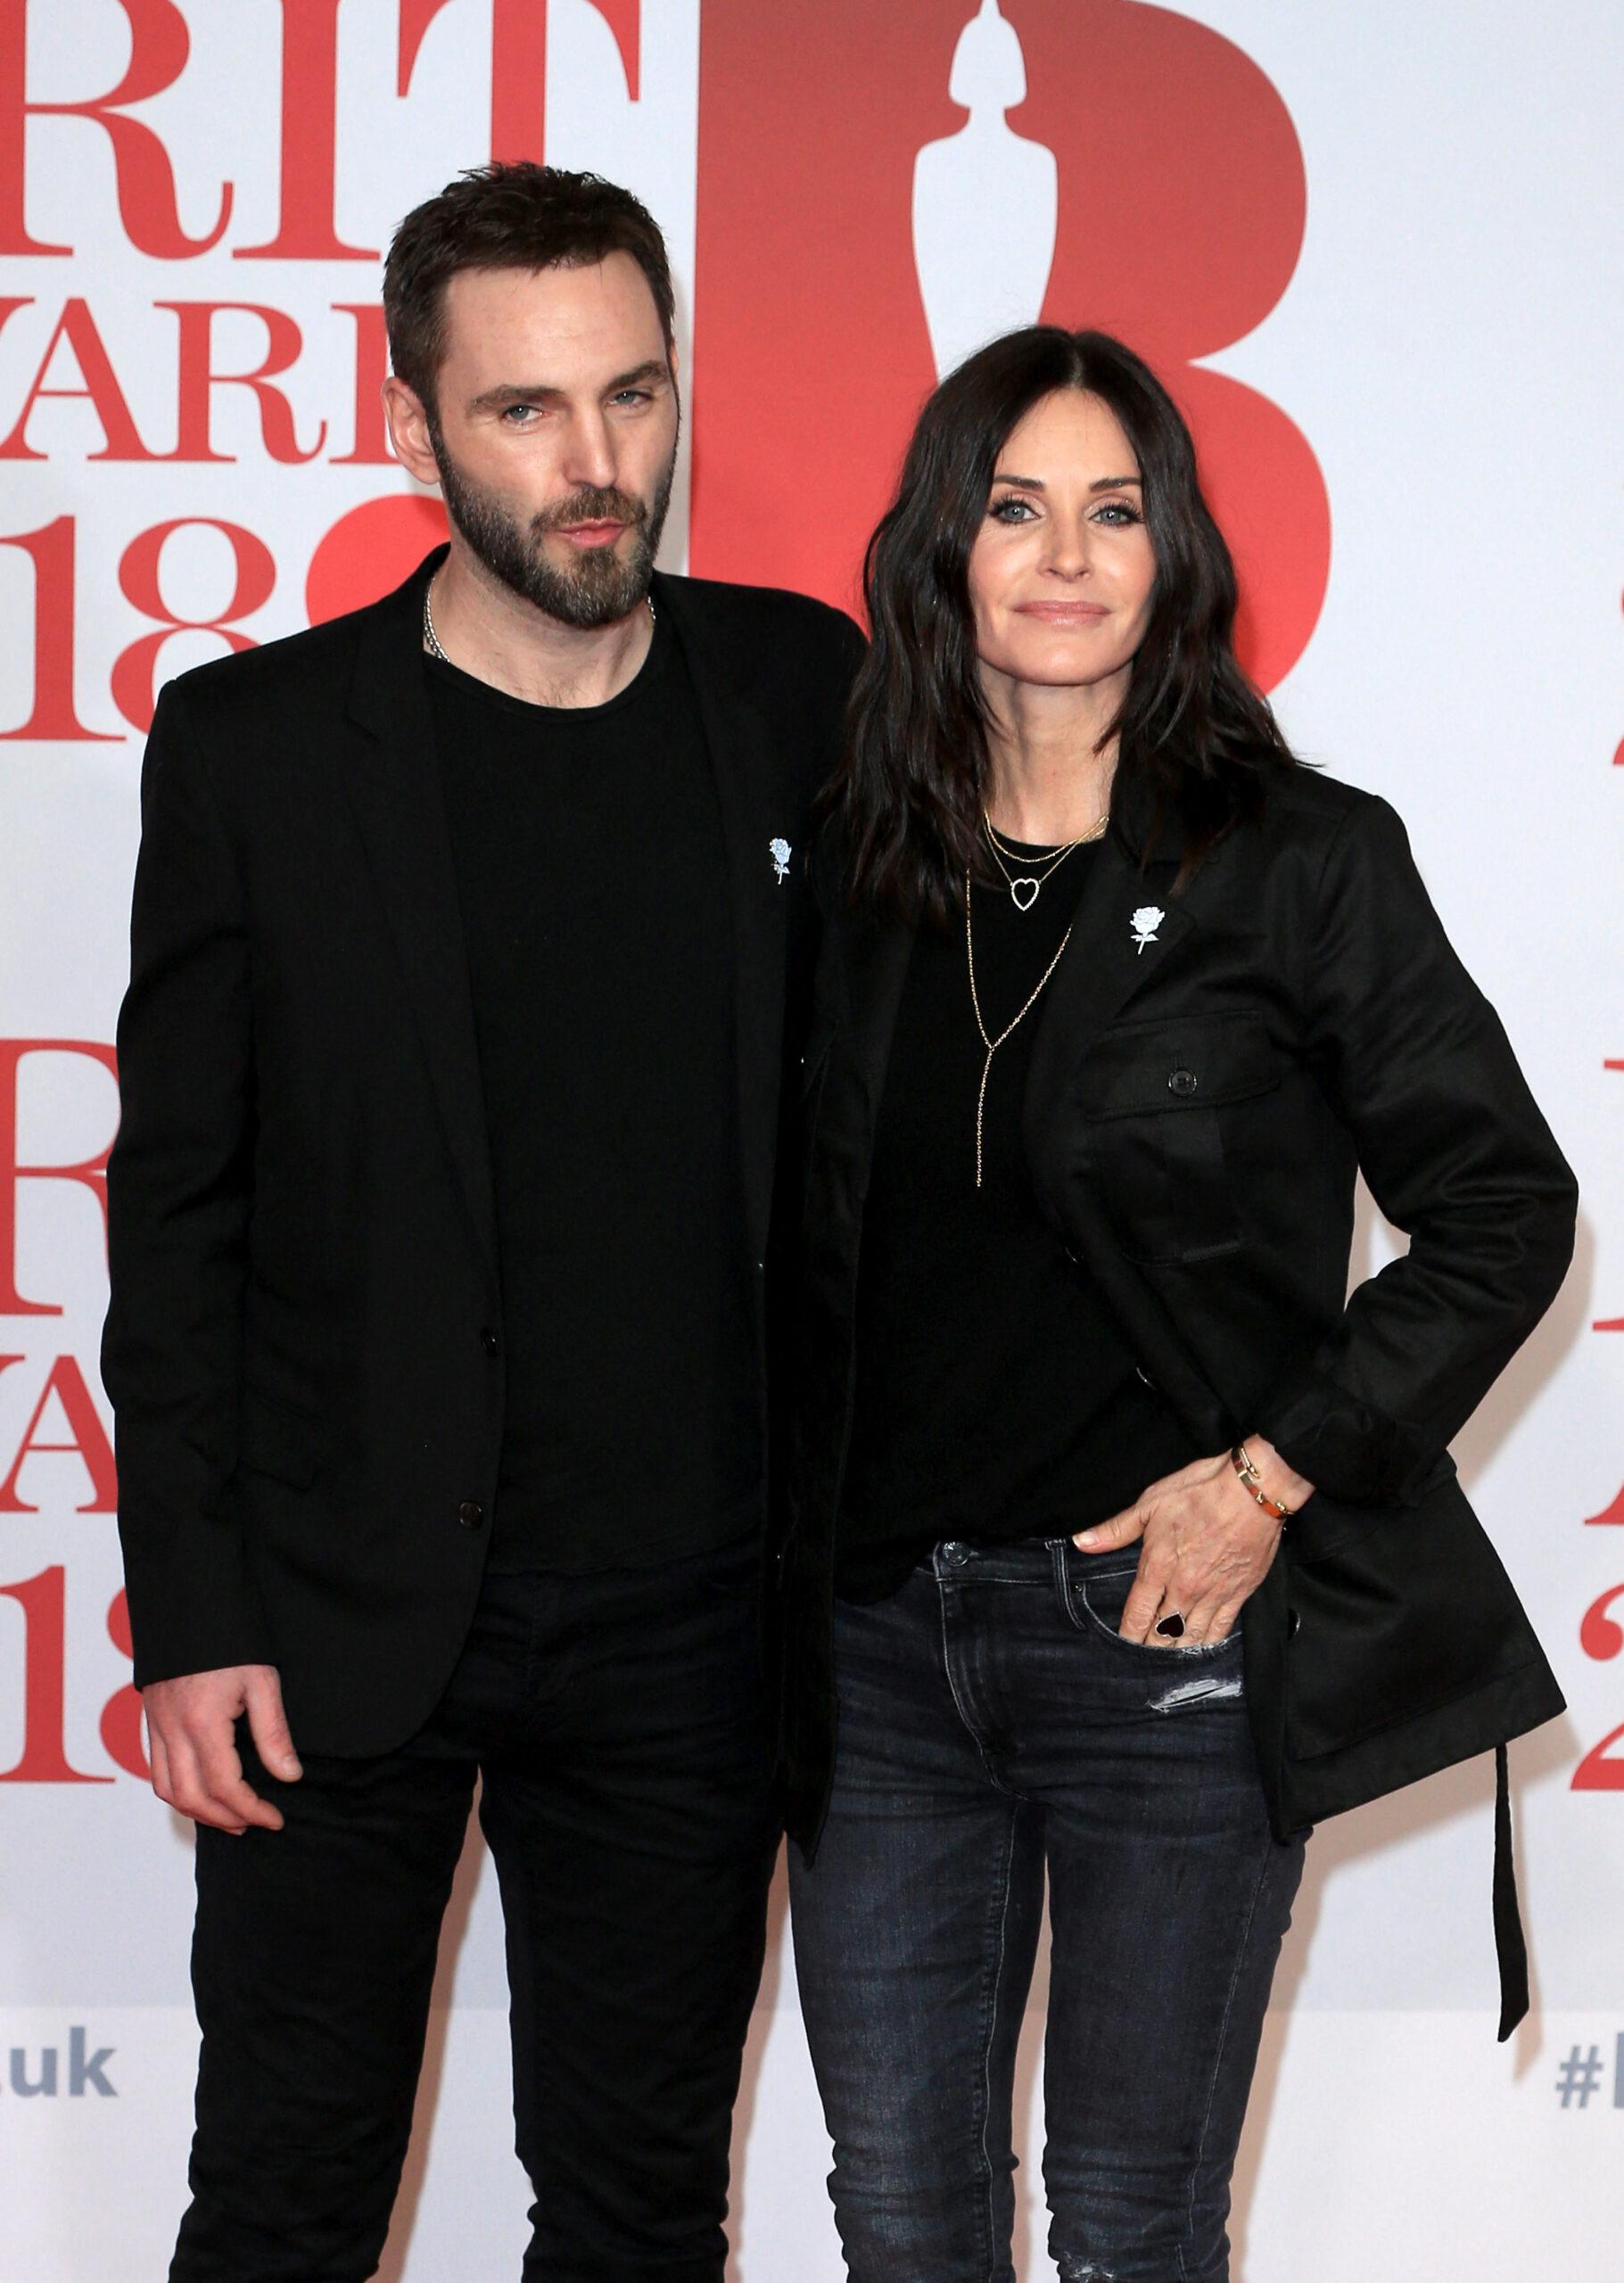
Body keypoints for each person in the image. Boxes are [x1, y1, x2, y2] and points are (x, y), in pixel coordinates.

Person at [102, 161, 861, 2282]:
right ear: (409, 418)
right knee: (282, 2197)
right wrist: (190, 1604)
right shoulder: (256, 747)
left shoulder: (801, 697)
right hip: (334, 1623)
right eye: (528, 410)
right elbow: (177, 1207)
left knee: (637, 2218)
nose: (598, 465)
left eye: (632, 392)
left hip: (693, 1627)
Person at [779, 325, 1575, 2283]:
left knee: (1130, 2224)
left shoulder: (1299, 863)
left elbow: (1500, 1204)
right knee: (898, 2221)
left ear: (1171, 553)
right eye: (1012, 507)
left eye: (1110, 510)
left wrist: (1271, 1473)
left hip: (1162, 1641)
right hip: (873, 1648)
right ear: (939, 547)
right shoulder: (850, 861)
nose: (1061, 556)